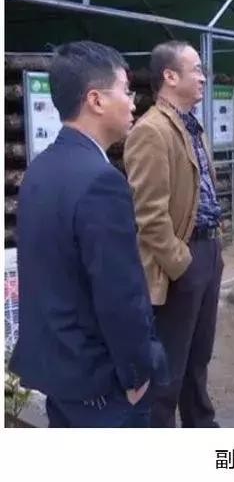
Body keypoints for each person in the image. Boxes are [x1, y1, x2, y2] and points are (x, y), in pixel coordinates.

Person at [9, 41, 165, 427]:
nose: (133, 103)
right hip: (101, 385)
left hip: (60, 374)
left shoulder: (40, 169)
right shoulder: (100, 182)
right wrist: (136, 374)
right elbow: (119, 294)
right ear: (96, 100)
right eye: (125, 91)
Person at [124, 41, 223, 427]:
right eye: (196, 69)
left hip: (208, 250)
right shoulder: (151, 130)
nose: (203, 77)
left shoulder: (191, 125)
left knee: (199, 354)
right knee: (170, 365)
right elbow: (150, 215)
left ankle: (201, 422)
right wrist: (182, 263)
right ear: (169, 76)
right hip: (182, 258)